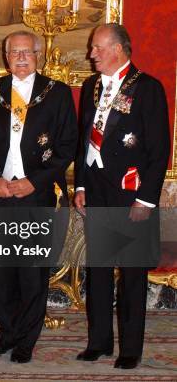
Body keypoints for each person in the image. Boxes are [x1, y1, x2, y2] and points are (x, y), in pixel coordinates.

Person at [0, 31, 77, 363]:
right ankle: (7, 332)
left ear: (39, 55)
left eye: (27, 52)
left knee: (32, 270)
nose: (20, 57)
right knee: (1, 269)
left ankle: (26, 340)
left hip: (36, 194)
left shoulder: (57, 93)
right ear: (6, 57)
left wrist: (35, 181)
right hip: (1, 192)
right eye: (14, 52)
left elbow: (66, 147)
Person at [74, 23, 170, 370]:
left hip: (131, 194)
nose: (91, 54)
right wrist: (81, 186)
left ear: (118, 49)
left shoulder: (148, 88)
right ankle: (99, 342)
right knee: (98, 272)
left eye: (97, 47)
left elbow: (160, 151)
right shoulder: (91, 85)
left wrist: (146, 200)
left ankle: (131, 348)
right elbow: (84, 141)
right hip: (96, 190)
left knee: (131, 276)